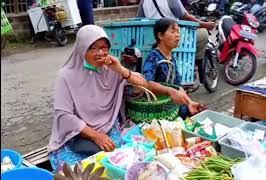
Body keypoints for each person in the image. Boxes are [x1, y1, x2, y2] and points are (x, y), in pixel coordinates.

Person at [48, 25, 201, 172]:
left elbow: (143, 84)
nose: (100, 53)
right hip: (79, 132)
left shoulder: (111, 69)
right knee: (78, 169)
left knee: (126, 159)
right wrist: (96, 136)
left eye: (104, 47)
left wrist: (120, 69)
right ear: (82, 48)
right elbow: (64, 115)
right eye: (93, 48)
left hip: (108, 125)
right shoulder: (66, 75)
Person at [137, 0, 216, 83]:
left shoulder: (143, 2)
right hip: (172, 39)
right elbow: (185, 16)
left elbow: (139, 19)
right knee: (203, 33)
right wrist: (204, 24)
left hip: (150, 38)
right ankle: (198, 67)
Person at [142, 18, 206, 119]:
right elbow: (148, 83)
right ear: (160, 36)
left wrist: (189, 102)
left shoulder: (171, 57)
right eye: (173, 32)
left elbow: (178, 86)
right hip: (159, 108)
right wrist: (169, 91)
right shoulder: (153, 56)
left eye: (178, 31)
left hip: (172, 105)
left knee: (199, 112)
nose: (177, 35)